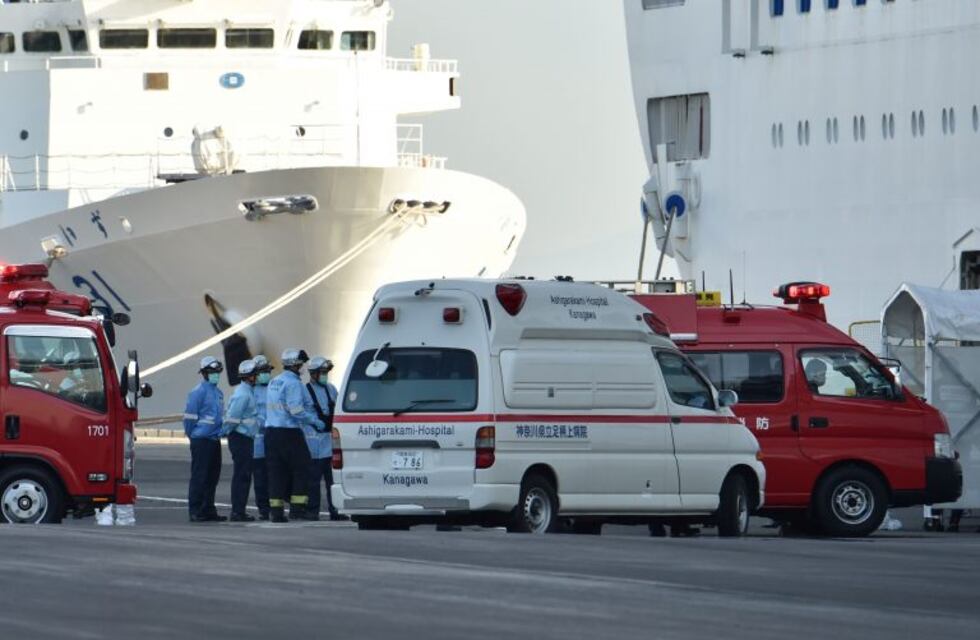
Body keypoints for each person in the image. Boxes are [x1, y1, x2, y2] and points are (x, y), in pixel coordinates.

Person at [264, 348, 324, 523]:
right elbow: (296, 410)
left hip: (271, 433)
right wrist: (314, 421)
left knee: (276, 472)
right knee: (302, 468)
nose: (302, 368)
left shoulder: (274, 381)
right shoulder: (294, 384)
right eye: (301, 364)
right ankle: (297, 510)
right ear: (294, 365)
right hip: (289, 433)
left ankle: (276, 512)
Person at [183, 356, 226, 522]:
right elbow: (189, 419)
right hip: (201, 440)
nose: (216, 375)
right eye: (212, 372)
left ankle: (208, 508)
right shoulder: (198, 392)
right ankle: (195, 510)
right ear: (205, 374)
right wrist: (193, 436)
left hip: (214, 440)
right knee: (199, 475)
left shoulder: (218, 393)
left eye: (217, 372)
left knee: (212, 476)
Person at [222, 360, 259, 522]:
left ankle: (239, 510)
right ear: (249, 376)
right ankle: (237, 511)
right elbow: (232, 418)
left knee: (244, 475)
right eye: (255, 374)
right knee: (242, 475)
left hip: (245, 438)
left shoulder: (247, 391)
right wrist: (224, 432)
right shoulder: (243, 394)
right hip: (240, 438)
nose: (258, 377)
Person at [305, 356, 341, 521]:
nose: (325, 375)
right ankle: (313, 512)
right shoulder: (305, 391)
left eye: (326, 372)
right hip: (314, 444)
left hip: (330, 443)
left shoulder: (331, 389)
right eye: (322, 372)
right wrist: (316, 423)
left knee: (332, 482)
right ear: (313, 374)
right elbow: (302, 415)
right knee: (313, 481)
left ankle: (336, 511)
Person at [251, 355, 273, 520]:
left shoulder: (274, 387)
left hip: (272, 440)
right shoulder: (249, 391)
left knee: (274, 475)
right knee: (260, 478)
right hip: (257, 442)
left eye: (267, 371)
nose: (266, 374)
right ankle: (264, 508)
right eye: (263, 372)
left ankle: (275, 505)